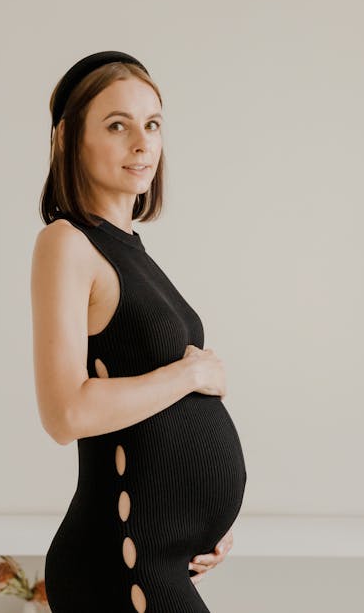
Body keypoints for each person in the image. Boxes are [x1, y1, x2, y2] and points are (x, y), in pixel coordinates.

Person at [31, 50, 247, 612]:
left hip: (154, 559)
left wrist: (199, 527)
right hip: (117, 559)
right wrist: (189, 373)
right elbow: (65, 413)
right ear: (68, 138)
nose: (142, 142)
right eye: (117, 125)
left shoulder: (132, 253)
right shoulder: (67, 242)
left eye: (151, 124)